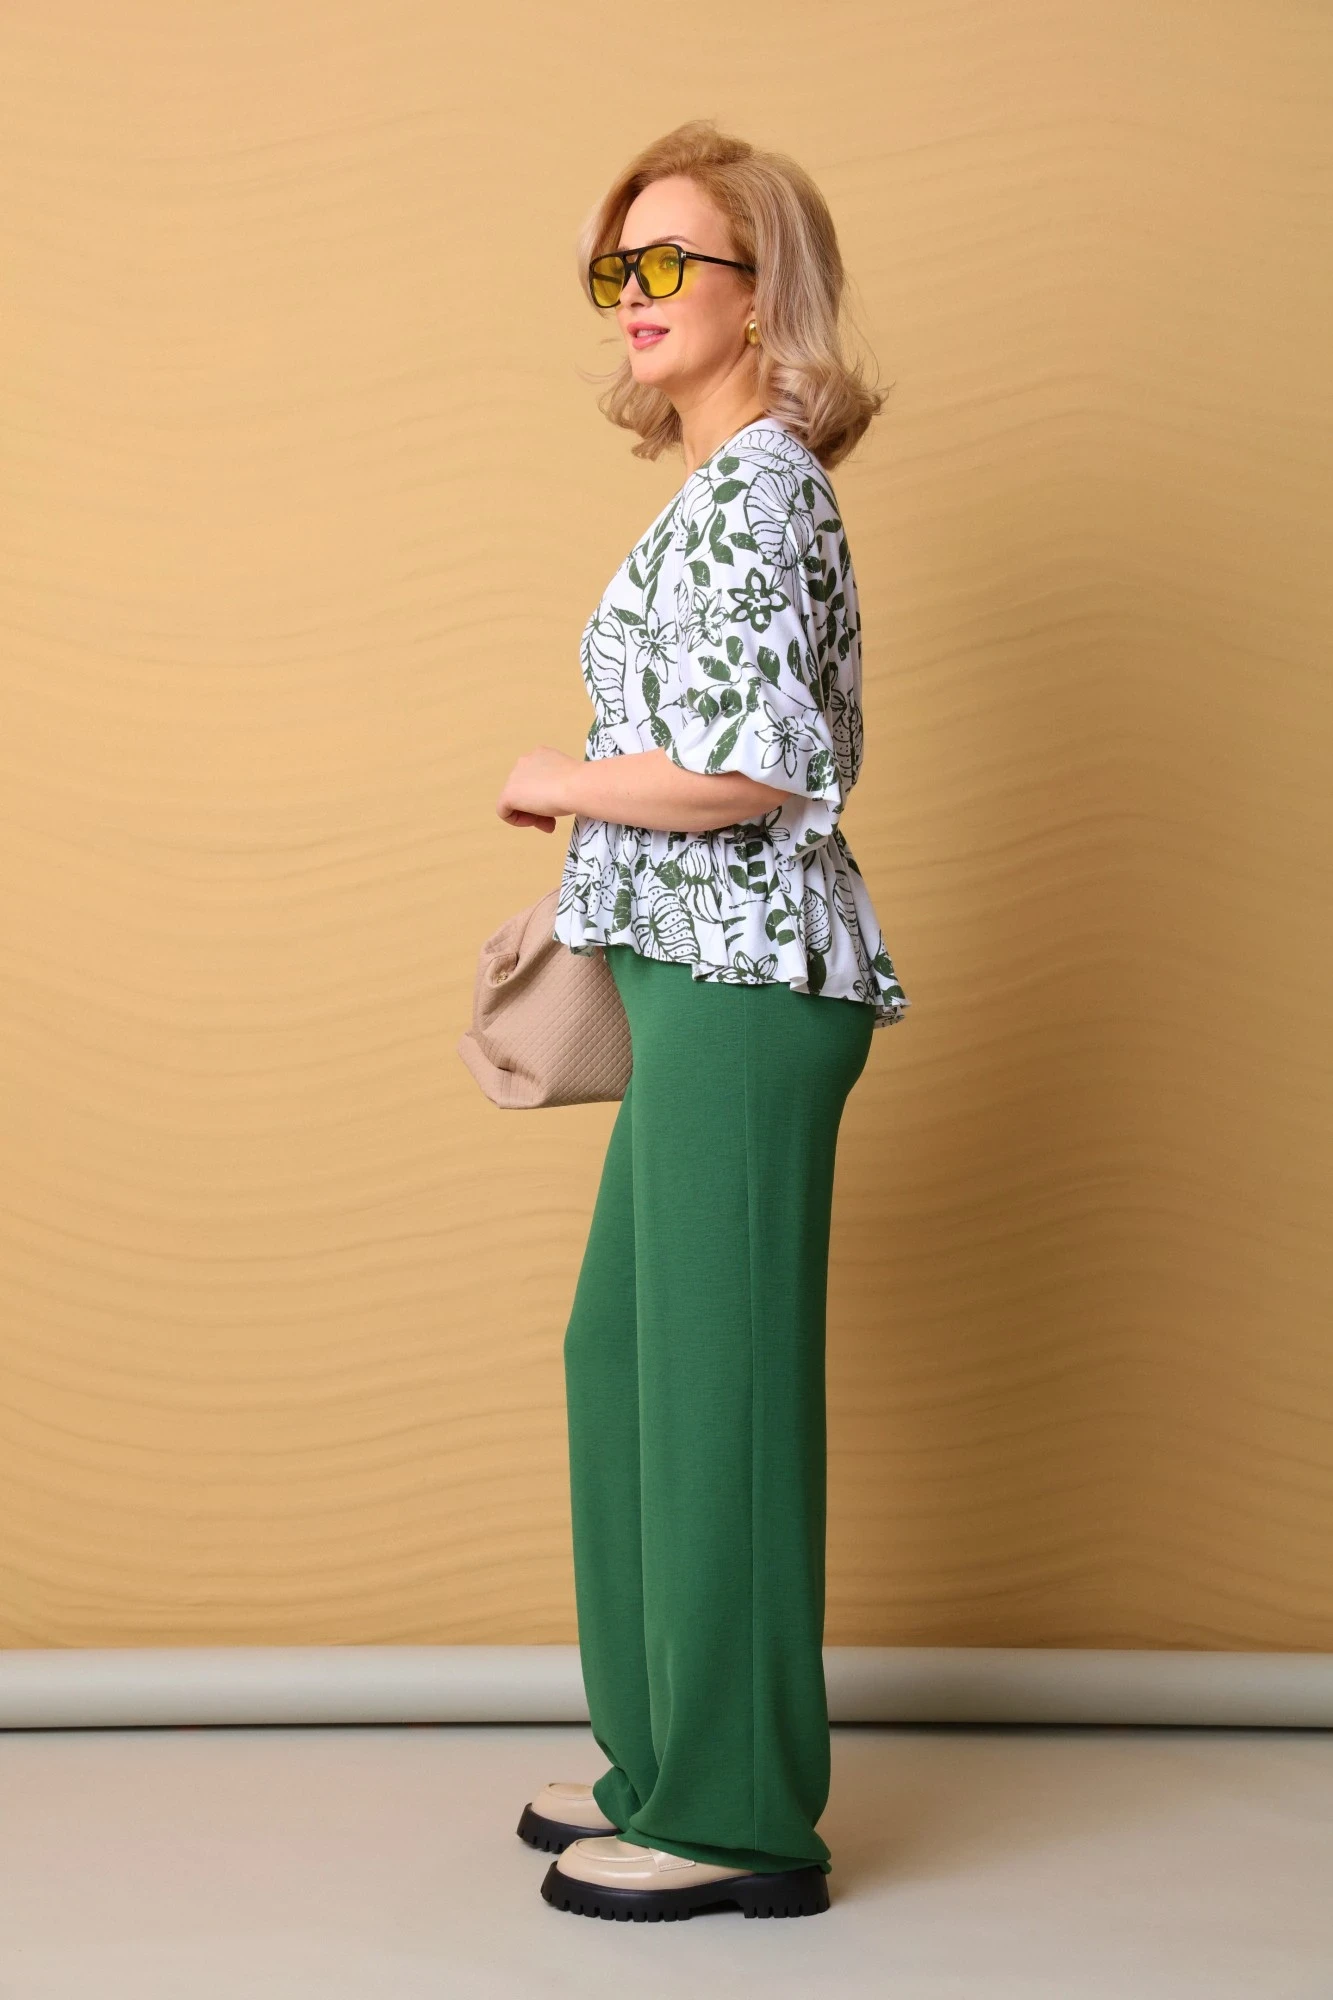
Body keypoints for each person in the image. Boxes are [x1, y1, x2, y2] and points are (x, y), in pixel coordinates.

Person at [496, 118, 911, 1922]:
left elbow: (756, 771)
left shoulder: (759, 489)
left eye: (673, 263)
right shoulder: (715, 486)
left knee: (715, 1393)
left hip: (749, 989)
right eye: (621, 266)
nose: (636, 294)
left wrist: (560, 777)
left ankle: (737, 1817)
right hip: (697, 981)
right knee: (628, 1362)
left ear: (765, 292)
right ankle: (660, 1754)